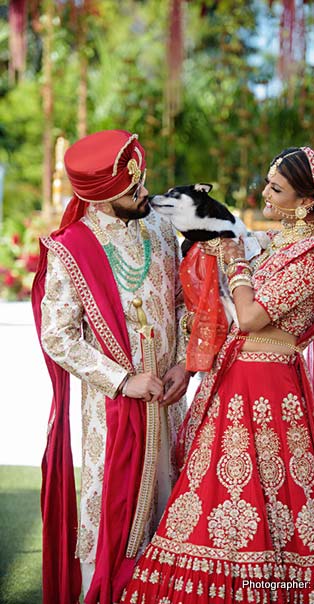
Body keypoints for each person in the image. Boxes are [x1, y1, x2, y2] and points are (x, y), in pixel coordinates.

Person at [121, 147, 314, 604]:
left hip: (267, 391)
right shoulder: (278, 242)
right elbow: (227, 303)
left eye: (276, 188)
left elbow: (248, 316)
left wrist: (233, 258)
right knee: (212, 496)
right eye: (267, 181)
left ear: (307, 202)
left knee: (270, 500)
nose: (263, 192)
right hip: (234, 381)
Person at [31, 129, 190, 604]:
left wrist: (184, 365)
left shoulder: (161, 230)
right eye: (133, 190)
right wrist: (123, 380)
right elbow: (57, 335)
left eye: (142, 183)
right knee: (111, 506)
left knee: (172, 497)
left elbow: (184, 305)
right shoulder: (71, 248)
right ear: (100, 198)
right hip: (113, 408)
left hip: (169, 397)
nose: (146, 194)